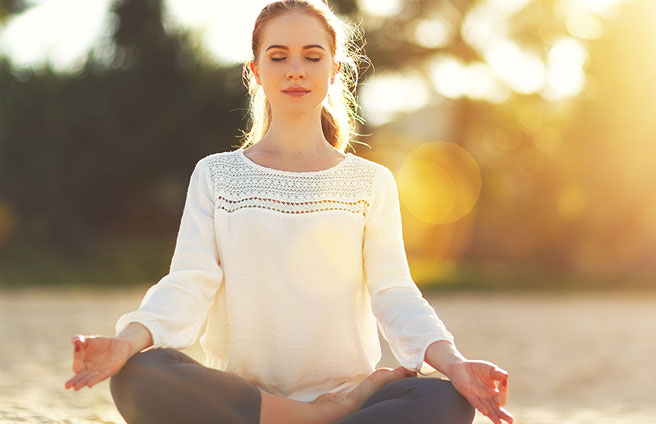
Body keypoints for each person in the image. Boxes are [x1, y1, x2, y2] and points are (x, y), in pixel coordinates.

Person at [64, 1, 512, 423]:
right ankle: (315, 417)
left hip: (347, 398)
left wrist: (455, 364)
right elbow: (189, 281)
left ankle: (316, 413)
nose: (295, 70)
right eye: (278, 57)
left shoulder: (370, 182)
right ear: (255, 71)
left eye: (312, 57)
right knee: (140, 374)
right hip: (243, 396)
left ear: (335, 71)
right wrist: (126, 343)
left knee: (446, 397)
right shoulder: (216, 175)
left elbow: (393, 291)